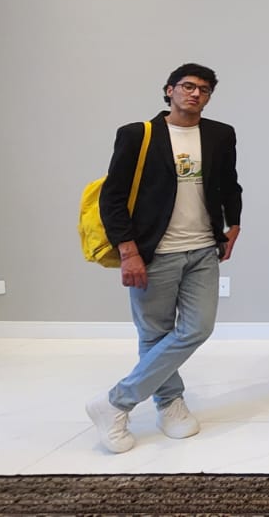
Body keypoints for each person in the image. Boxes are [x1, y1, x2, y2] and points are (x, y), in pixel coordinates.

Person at [87, 63, 243, 454]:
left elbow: (229, 183)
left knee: (197, 328)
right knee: (154, 333)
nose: (195, 94)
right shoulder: (137, 135)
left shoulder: (220, 134)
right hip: (154, 252)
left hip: (203, 248)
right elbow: (113, 198)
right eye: (188, 86)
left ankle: (114, 402)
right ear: (169, 90)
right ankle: (168, 403)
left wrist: (234, 224)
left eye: (204, 89)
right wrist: (129, 252)